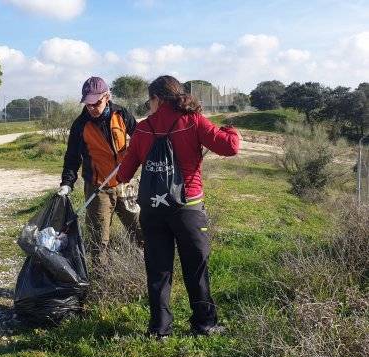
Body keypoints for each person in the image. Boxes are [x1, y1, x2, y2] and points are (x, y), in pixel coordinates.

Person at [116, 75, 241, 337]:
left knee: (158, 271)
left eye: (149, 100)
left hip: (152, 212)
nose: (148, 105)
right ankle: (204, 324)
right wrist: (230, 128)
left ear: (157, 99)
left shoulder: (143, 128)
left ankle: (159, 330)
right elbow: (230, 147)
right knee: (196, 269)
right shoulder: (193, 121)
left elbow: (124, 174)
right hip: (188, 209)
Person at [58, 76, 143, 269]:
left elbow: (140, 139)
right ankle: (101, 278)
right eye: (88, 104)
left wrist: (136, 152)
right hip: (98, 188)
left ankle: (147, 269)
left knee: (139, 229)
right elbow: (72, 157)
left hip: (125, 183)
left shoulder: (121, 114)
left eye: (96, 103)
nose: (92, 108)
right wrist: (66, 183)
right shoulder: (80, 125)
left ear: (107, 96)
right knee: (99, 239)